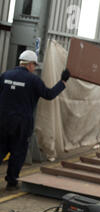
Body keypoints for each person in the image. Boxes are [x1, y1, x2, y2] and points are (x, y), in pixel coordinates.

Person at [0, 50, 70, 191]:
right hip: (21, 123)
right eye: (34, 65)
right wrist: (62, 82)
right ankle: (11, 182)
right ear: (30, 64)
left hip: (2, 121)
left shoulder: (5, 75)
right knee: (17, 152)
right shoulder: (33, 80)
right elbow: (49, 94)